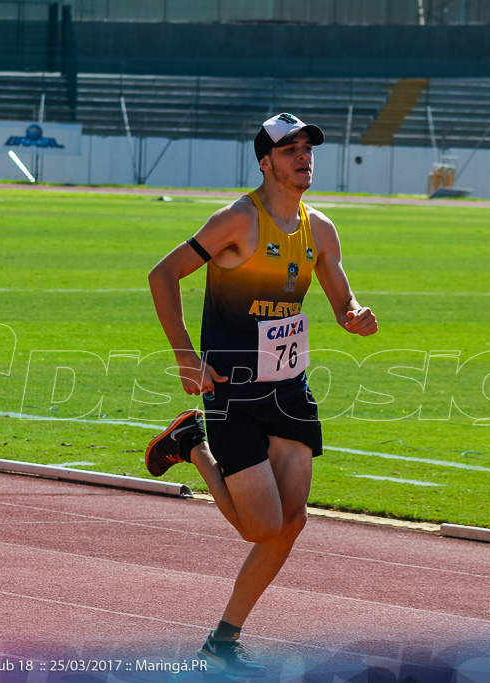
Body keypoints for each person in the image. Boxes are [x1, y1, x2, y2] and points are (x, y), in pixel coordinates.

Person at [146, 113, 377, 677]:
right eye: (290, 149)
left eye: (308, 148)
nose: (303, 157)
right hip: (233, 390)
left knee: (291, 522)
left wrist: (354, 316)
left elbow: (340, 297)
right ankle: (192, 445)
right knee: (260, 528)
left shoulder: (319, 228)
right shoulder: (236, 221)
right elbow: (163, 274)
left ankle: (222, 641)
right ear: (265, 161)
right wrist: (183, 355)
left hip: (289, 388)